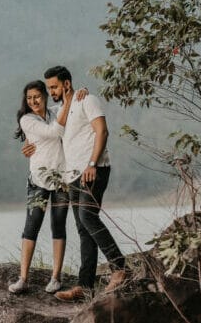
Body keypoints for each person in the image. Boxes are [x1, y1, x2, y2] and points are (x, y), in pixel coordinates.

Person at [24, 66, 127, 301]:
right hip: (71, 177)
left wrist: (92, 163)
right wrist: (27, 147)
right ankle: (85, 287)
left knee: (87, 218)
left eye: (53, 87)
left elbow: (102, 131)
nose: (50, 92)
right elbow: (42, 129)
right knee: (83, 229)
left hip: (93, 171)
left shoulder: (87, 100)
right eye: (48, 87)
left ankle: (119, 267)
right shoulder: (59, 110)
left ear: (66, 85)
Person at [8, 80, 87, 294]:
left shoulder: (55, 112)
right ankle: (23, 278)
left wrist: (81, 93)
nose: (33, 101)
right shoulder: (27, 119)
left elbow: (69, 109)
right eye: (29, 98)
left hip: (61, 179)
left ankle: (56, 277)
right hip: (39, 180)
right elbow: (54, 132)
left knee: (58, 226)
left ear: (45, 96)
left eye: (37, 96)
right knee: (31, 226)